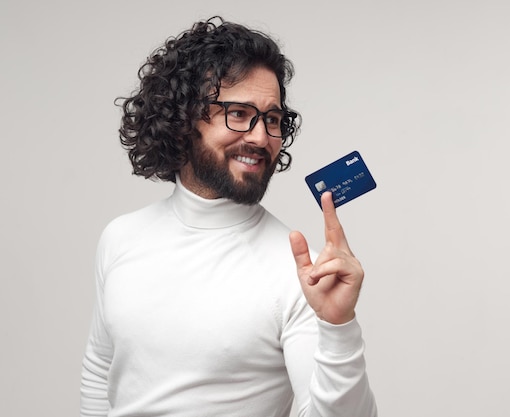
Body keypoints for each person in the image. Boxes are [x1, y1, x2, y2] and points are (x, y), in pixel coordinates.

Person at [80, 16, 377, 417]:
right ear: (183, 119)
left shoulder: (299, 270)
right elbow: (100, 372)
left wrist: (339, 328)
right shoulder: (119, 238)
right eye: (238, 113)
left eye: (272, 119)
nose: (260, 137)